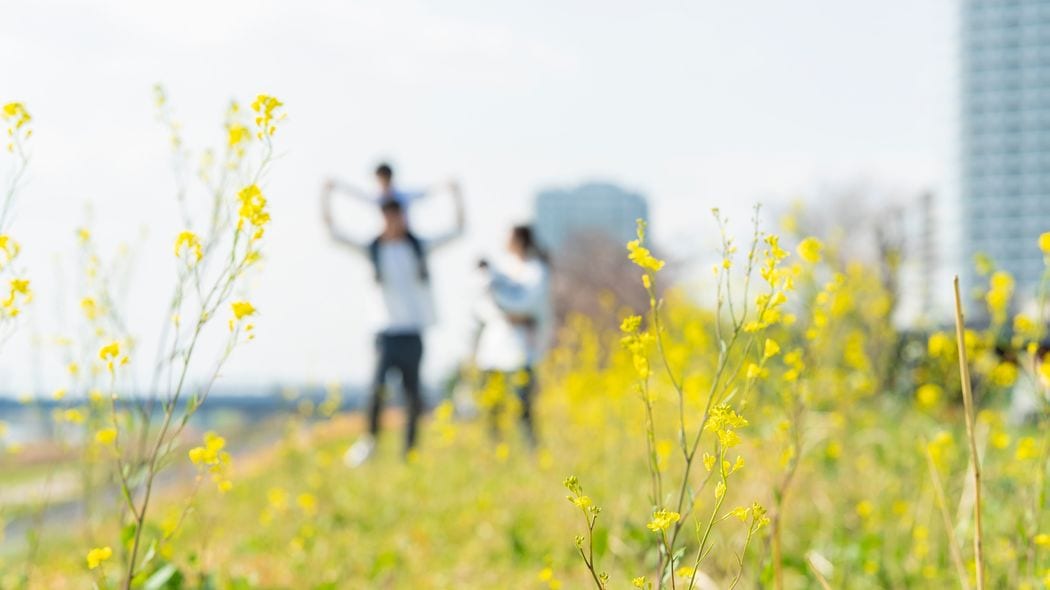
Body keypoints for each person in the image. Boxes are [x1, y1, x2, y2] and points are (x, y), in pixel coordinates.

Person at [322, 181, 465, 466]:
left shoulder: (418, 248)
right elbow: (334, 234)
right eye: (387, 217)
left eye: (397, 216)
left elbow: (457, 230)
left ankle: (409, 451)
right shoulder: (373, 249)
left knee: (413, 395)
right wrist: (327, 196)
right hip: (384, 333)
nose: (393, 222)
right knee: (376, 389)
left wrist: (456, 195)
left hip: (412, 331)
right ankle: (369, 441)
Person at [472, 225, 551, 447]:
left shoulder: (535, 270)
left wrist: (510, 311)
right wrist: (509, 313)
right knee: (492, 405)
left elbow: (528, 305)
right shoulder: (499, 269)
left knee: (523, 404)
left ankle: (531, 449)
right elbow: (482, 304)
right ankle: (495, 449)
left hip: (522, 345)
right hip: (495, 344)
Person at [324, 163, 452, 283]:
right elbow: (358, 194)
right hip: (385, 238)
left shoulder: (403, 196)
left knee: (416, 246)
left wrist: (444, 185)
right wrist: (338, 186)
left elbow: (425, 192)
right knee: (375, 249)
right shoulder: (377, 198)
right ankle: (378, 271)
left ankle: (420, 267)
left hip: (405, 236)